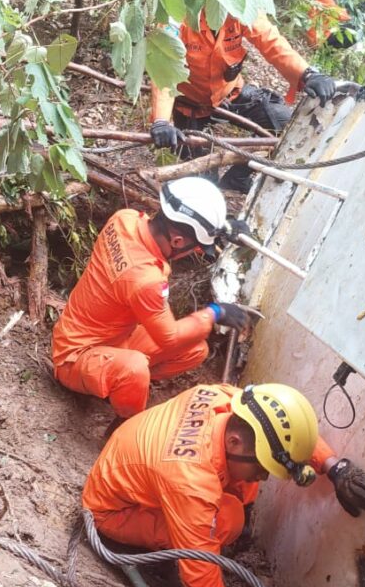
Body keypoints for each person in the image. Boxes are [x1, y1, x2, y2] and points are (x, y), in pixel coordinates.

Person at [82, 382, 365, 587]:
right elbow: (202, 580)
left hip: (138, 464)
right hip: (116, 510)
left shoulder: (234, 403)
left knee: (241, 489)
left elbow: (283, 428)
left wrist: (333, 466)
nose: (265, 477)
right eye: (263, 468)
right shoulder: (190, 483)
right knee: (228, 520)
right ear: (234, 442)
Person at [149, 0, 345, 193]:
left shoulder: (242, 8)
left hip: (230, 93)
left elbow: (271, 42)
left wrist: (307, 74)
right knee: (203, 182)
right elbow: (163, 68)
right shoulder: (178, 11)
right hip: (191, 104)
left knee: (284, 123)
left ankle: (240, 176)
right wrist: (161, 121)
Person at [52, 177, 255, 419]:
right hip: (75, 357)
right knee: (136, 367)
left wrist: (220, 229)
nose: (197, 252)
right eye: (197, 247)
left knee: (194, 350)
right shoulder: (145, 280)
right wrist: (215, 312)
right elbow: (168, 337)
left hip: (114, 339)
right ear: (177, 241)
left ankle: (116, 384)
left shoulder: (124, 219)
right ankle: (124, 420)